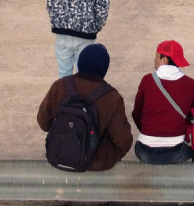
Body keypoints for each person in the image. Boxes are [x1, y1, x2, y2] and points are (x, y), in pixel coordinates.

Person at [37, 43, 133, 171]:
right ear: (104, 69)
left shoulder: (59, 86)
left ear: (80, 63)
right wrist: (110, 156)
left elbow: (43, 122)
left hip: (60, 155)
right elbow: (123, 140)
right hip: (97, 163)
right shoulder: (112, 97)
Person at [132, 40, 194, 164]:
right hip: (178, 152)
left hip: (145, 152)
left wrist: (151, 131)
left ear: (164, 60)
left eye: (156, 57)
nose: (154, 60)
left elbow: (136, 113)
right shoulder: (192, 85)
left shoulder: (147, 81)